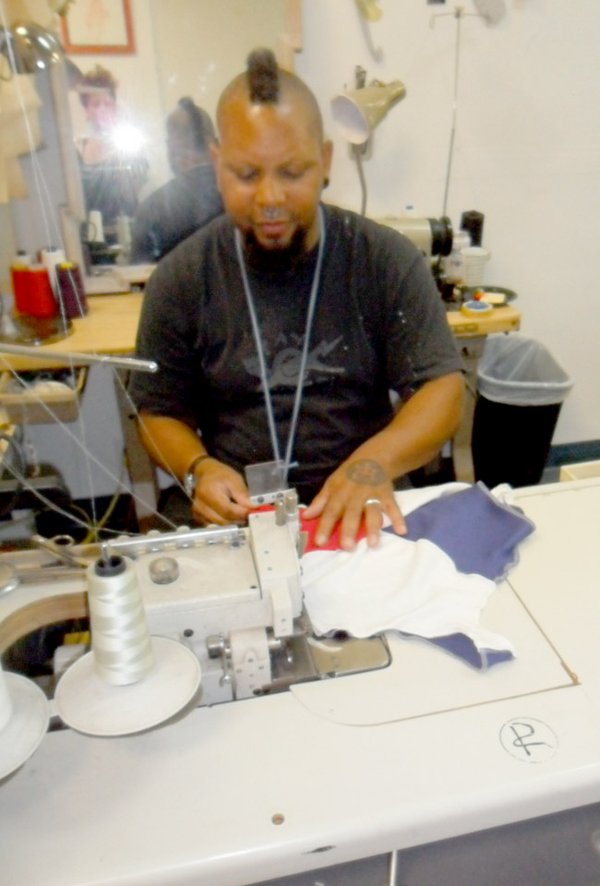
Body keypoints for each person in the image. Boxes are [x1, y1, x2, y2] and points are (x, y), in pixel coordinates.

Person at [129, 49, 465, 551]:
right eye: (246, 175)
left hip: (361, 514)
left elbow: (442, 389)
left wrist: (373, 465)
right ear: (217, 163)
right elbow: (157, 413)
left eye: (291, 173)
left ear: (325, 161)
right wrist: (197, 469)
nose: (269, 197)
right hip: (237, 522)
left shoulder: (382, 260)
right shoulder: (180, 279)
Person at [130, 98, 224, 263]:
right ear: (216, 145)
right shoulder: (239, 200)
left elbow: (138, 278)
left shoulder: (151, 209)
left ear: (172, 149)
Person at [76, 65, 148, 232]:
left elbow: (138, 183)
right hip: (91, 234)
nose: (102, 110)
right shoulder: (78, 149)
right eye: (95, 104)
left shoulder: (129, 144)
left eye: (107, 104)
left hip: (128, 230)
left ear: (115, 106)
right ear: (86, 110)